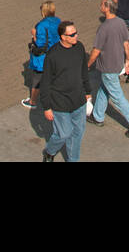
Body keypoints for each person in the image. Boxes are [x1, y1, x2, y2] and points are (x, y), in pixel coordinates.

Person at [87, 0, 129, 137]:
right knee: (103, 89)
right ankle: (97, 116)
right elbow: (126, 44)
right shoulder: (120, 23)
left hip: (108, 67)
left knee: (117, 97)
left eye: (102, 4)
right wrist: (128, 60)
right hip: (117, 63)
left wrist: (87, 65)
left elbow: (96, 51)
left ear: (107, 8)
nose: (100, 6)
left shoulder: (104, 28)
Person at [40, 21, 92, 162]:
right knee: (63, 134)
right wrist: (47, 107)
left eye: (76, 32)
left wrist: (88, 90)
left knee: (77, 133)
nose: (76, 36)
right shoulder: (53, 55)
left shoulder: (79, 47)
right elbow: (45, 83)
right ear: (63, 37)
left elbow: (83, 71)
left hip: (78, 100)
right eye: (72, 34)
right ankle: (50, 151)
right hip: (60, 102)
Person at [24, 0, 60, 109]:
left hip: (43, 58)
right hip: (56, 53)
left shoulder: (41, 25)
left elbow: (40, 43)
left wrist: (34, 35)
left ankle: (32, 101)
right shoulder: (58, 21)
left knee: (37, 80)